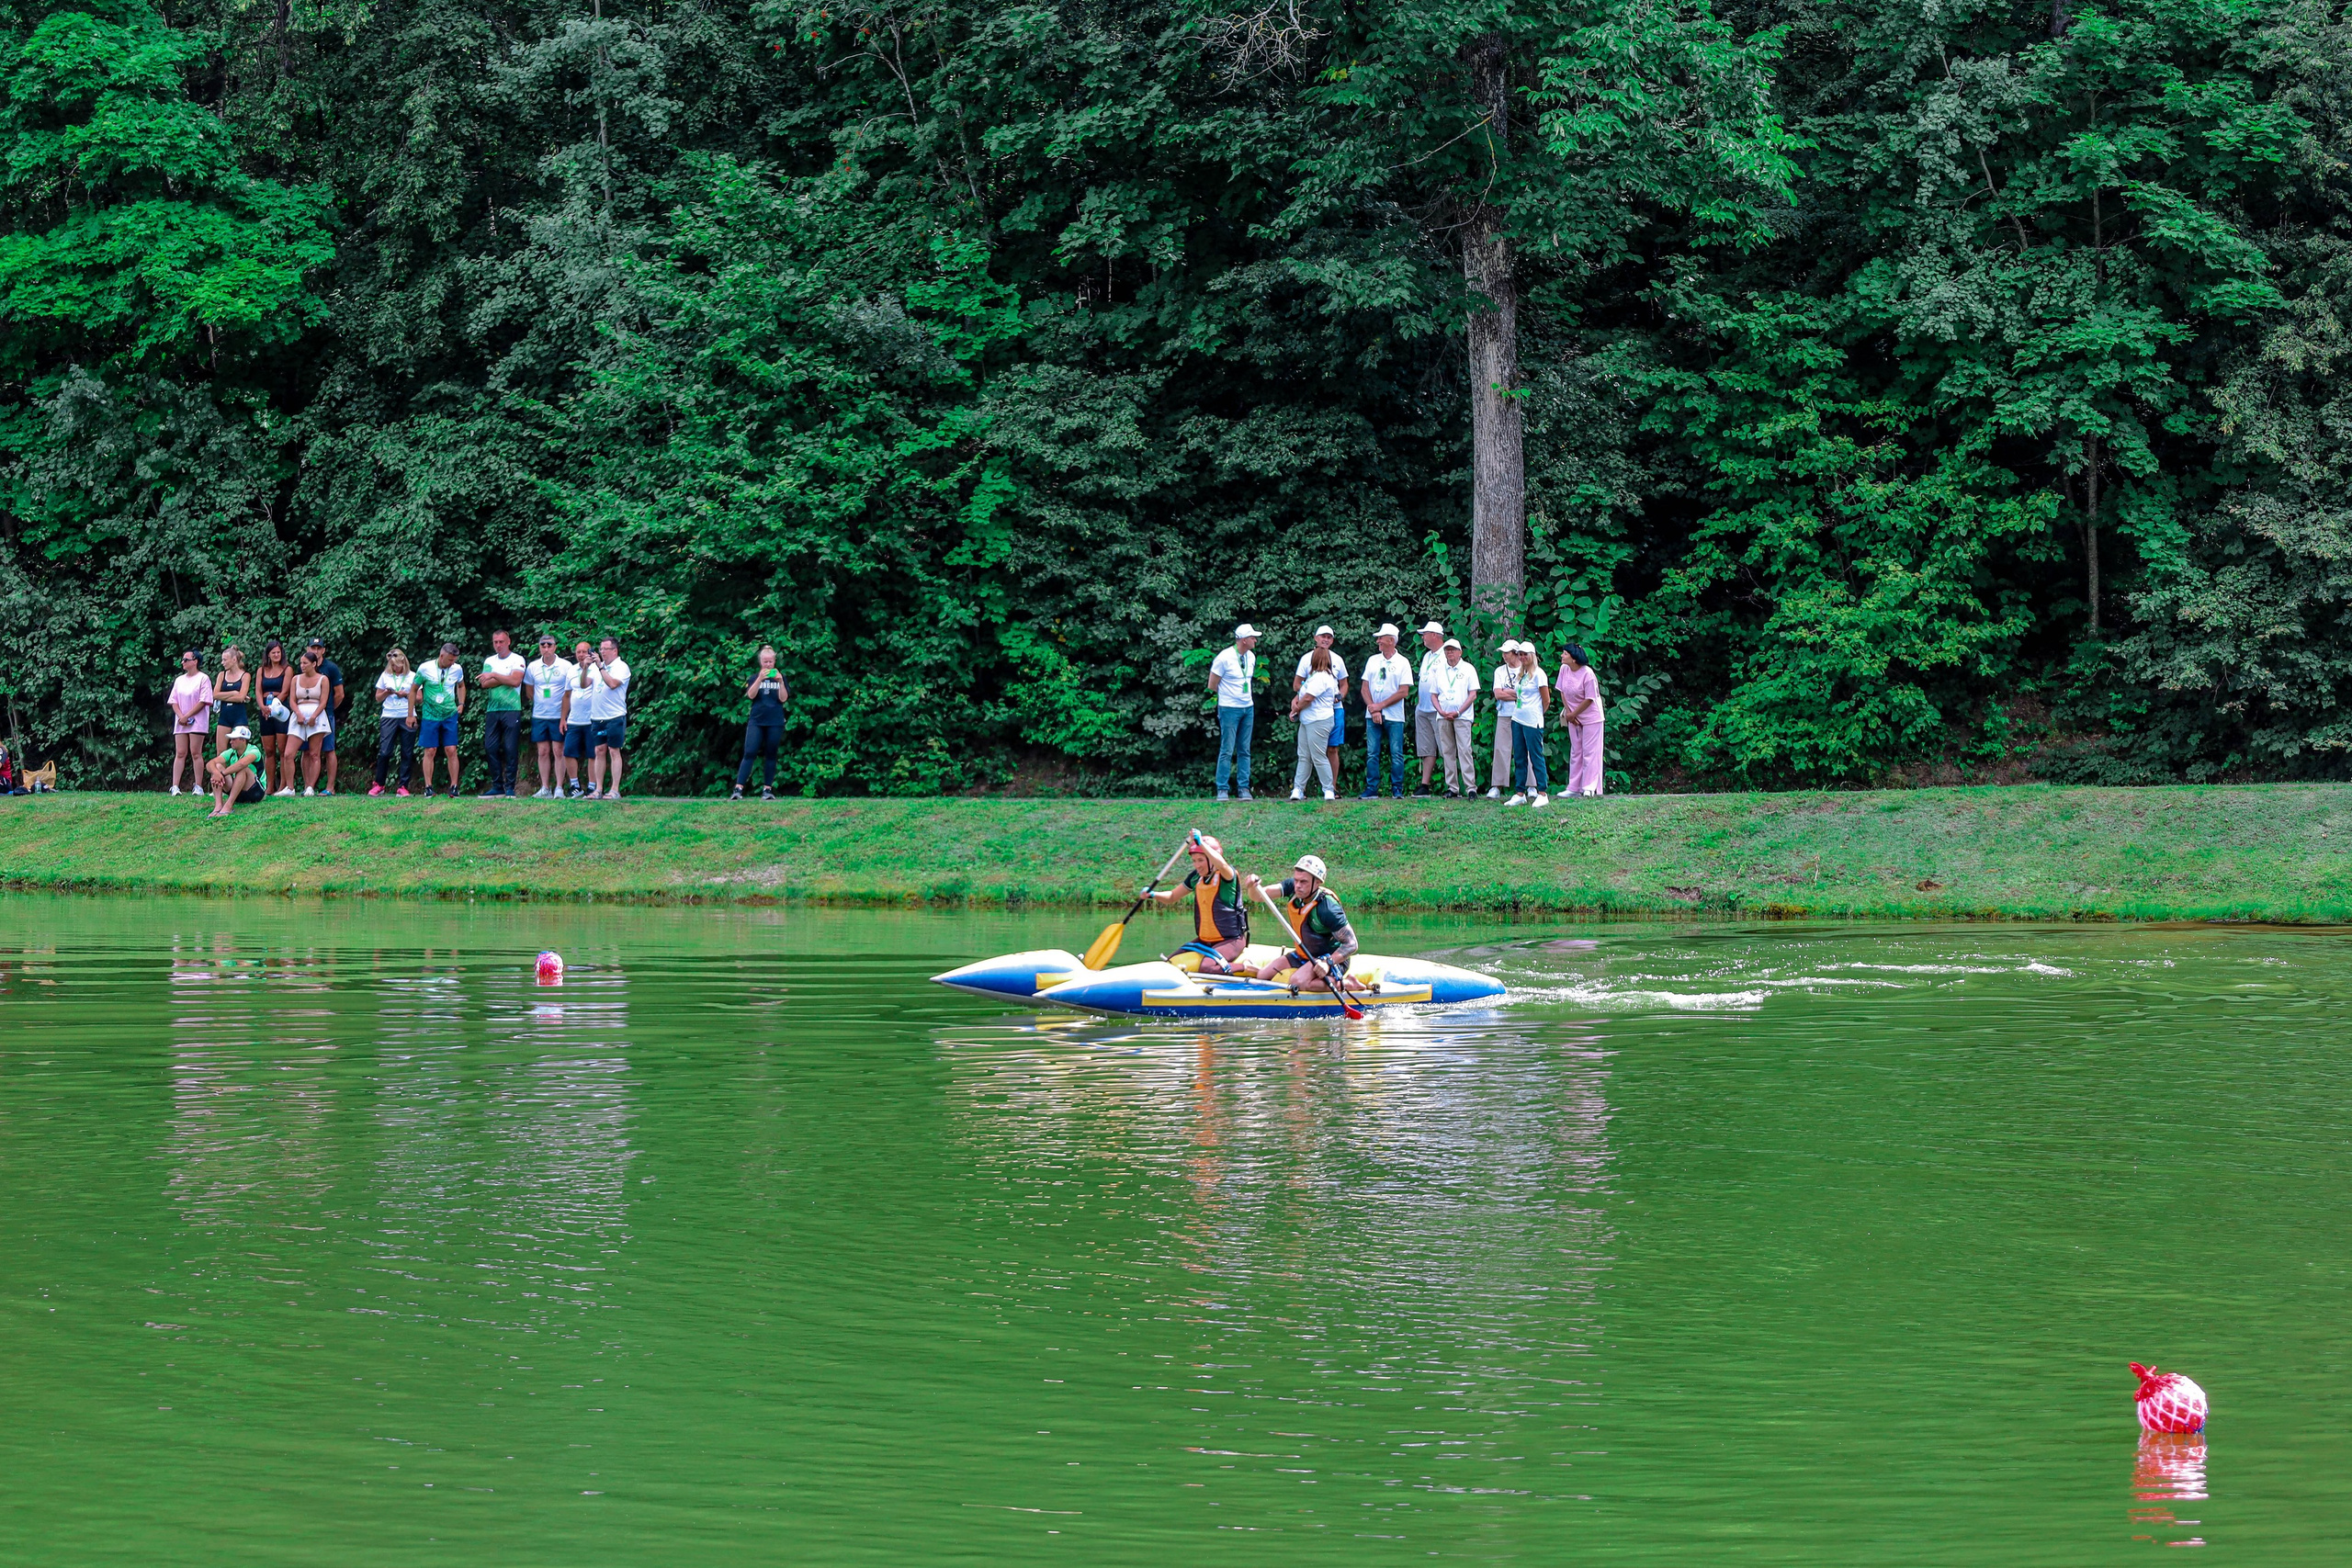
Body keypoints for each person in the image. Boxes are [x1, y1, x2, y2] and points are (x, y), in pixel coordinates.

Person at [1249, 853, 1359, 994]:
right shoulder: (1293, 887)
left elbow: (1352, 944)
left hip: (1330, 960)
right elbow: (1258, 896)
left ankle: (1348, 983)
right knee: (1262, 975)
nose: (1298, 886)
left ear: (1317, 882)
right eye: (1296, 880)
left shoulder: (1328, 908)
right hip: (1304, 955)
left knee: (1298, 982)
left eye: (1304, 882)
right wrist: (1253, 887)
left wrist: (1328, 963)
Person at [1147, 832, 1250, 973]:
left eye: (1201, 860)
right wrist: (1152, 894)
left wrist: (1201, 843)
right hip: (1204, 940)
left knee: (1207, 967)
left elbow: (1222, 864)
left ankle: (1247, 967)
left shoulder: (1227, 876)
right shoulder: (1196, 878)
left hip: (1231, 940)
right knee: (1169, 962)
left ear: (1213, 859)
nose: (1197, 865)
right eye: (1194, 861)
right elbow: (1172, 896)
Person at [1357, 624, 1413, 799]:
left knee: (1396, 753)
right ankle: (1371, 788)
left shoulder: (1403, 662)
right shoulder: (1373, 660)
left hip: (1395, 716)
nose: (1378, 641)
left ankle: (1397, 789)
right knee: (1372, 752)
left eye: (1381, 638)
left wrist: (1380, 706)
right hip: (1372, 714)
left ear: (1391, 640)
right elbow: (1364, 688)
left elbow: (1404, 691)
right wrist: (1373, 709)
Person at [1207, 624, 1258, 801]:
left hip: (1248, 707)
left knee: (1245, 749)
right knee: (1227, 749)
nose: (1255, 640)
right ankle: (1222, 789)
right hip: (1229, 708)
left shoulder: (1251, 657)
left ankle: (1243, 788)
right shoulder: (1225, 657)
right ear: (1243, 640)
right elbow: (1212, 684)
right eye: (1252, 637)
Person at [1294, 626, 1350, 788]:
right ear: (1315, 638)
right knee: (1308, 752)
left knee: (1332, 748)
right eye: (1323, 636)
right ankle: (1302, 788)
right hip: (1310, 709)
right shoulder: (1306, 659)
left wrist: (1340, 696)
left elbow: (1344, 684)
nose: (1326, 640)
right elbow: (1297, 684)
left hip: (1334, 709)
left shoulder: (1337, 659)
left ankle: (1331, 787)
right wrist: (1306, 695)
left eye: (1329, 637)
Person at [733, 646, 790, 800]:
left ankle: (767, 789)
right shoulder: (754, 677)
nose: (768, 665)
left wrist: (780, 682)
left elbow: (783, 698)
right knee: (750, 752)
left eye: (770, 662)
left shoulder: (780, 677)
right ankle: (738, 789)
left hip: (775, 720)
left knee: (771, 753)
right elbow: (751, 695)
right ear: (760, 662)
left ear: (775, 662)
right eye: (765, 662)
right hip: (757, 720)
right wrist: (759, 679)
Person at [476, 629, 526, 798]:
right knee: (490, 747)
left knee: (510, 748)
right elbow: (484, 684)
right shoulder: (489, 660)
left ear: (508, 642)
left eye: (501, 642)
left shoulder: (517, 659)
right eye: (495, 642)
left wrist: (495, 675)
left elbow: (515, 681)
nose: (498, 645)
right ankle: (497, 786)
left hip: (512, 709)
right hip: (493, 709)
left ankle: (510, 787)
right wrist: (503, 677)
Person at [1428, 637, 1481, 797]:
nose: (1449, 652)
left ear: (1460, 652)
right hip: (1443, 716)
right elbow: (1433, 695)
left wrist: (1458, 712)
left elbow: (1473, 695)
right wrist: (1441, 711)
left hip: (1462, 717)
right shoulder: (1439, 670)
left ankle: (1471, 787)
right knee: (1447, 751)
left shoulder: (1468, 669)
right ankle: (1452, 788)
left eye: (1452, 650)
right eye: (1447, 650)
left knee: (1465, 750)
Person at [414, 642, 467, 797]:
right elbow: (413, 689)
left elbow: (461, 685)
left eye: (454, 661)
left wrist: (461, 703)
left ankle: (454, 786)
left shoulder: (457, 669)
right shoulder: (425, 668)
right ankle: (428, 787)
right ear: (442, 656)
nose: (452, 663)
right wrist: (411, 713)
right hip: (430, 715)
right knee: (430, 750)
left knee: (451, 749)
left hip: (449, 714)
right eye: (450, 660)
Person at [526, 635, 574, 797]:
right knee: (543, 751)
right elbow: (529, 690)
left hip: (558, 715)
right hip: (539, 715)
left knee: (558, 750)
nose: (546, 649)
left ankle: (559, 787)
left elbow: (569, 692)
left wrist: (563, 715)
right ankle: (545, 787)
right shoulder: (533, 667)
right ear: (539, 647)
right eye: (543, 646)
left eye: (549, 645)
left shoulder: (566, 666)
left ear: (555, 647)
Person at [1289, 648, 1340, 801]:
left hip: (1319, 720)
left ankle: (1328, 789)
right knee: (1304, 755)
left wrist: (1296, 710)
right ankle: (1298, 788)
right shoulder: (1314, 676)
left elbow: (1308, 698)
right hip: (1307, 720)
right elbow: (1302, 694)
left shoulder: (1321, 677)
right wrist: (1296, 702)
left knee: (1318, 756)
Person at [1555, 643, 1606, 797]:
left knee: (1590, 752)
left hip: (1591, 717)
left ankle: (1589, 787)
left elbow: (1590, 699)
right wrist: (1570, 714)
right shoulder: (1564, 669)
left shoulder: (1588, 674)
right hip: (1573, 717)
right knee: (1576, 751)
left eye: (1565, 654)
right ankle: (1573, 787)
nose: (1562, 656)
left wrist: (1574, 713)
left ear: (1574, 658)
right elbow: (1562, 691)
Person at [1505, 640, 1551, 808]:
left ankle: (1542, 792)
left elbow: (1546, 700)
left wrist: (1538, 713)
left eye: (1525, 654)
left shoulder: (1539, 674)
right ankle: (1519, 793)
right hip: (1517, 718)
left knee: (1536, 755)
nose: (1522, 657)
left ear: (1532, 656)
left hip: (1532, 720)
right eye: (1520, 654)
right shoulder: (1521, 674)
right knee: (1519, 756)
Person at [370, 649, 420, 796]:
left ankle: (403, 786)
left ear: (403, 663)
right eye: (392, 665)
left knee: (407, 752)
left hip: (407, 715)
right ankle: (379, 785)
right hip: (389, 716)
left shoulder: (413, 676)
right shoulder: (385, 675)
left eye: (396, 665)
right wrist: (387, 692)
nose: (394, 668)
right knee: (385, 752)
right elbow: (378, 698)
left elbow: (419, 698)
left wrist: (406, 695)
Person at [587, 636, 631, 798]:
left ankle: (614, 789)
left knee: (614, 750)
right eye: (600, 649)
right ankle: (598, 789)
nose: (602, 652)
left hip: (615, 716)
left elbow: (612, 684)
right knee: (599, 750)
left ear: (615, 650)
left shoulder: (621, 667)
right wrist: (585, 668)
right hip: (597, 716)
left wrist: (600, 666)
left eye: (605, 649)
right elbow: (584, 684)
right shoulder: (597, 667)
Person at [284, 648, 333, 795]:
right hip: (299, 714)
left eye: (305, 663)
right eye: (301, 663)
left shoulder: (323, 679)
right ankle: (290, 788)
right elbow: (292, 700)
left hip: (316, 715)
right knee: (288, 753)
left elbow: (324, 701)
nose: (302, 666)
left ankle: (310, 787)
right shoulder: (295, 679)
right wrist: (298, 714)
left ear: (314, 664)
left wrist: (314, 717)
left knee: (314, 753)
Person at [167, 649, 215, 795]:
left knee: (196, 752)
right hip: (181, 721)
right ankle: (175, 786)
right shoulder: (179, 680)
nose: (183, 662)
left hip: (197, 721)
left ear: (195, 662)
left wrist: (187, 715)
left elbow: (204, 700)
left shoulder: (203, 678)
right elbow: (173, 700)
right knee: (180, 752)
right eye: (183, 660)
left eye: (186, 659)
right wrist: (181, 716)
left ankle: (198, 786)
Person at [304, 637, 345, 795]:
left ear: (323, 650)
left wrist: (328, 709)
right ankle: (308, 787)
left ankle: (330, 787)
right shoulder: (304, 666)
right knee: (307, 751)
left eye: (318, 648)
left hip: (326, 714)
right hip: (307, 715)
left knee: (329, 749)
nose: (315, 651)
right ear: (308, 649)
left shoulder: (331, 668)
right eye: (312, 648)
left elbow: (340, 694)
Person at [1411, 621, 1447, 796]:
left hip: (1438, 709)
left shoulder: (1445, 655)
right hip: (1423, 708)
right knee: (1426, 748)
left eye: (1425, 634)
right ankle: (1425, 785)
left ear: (1434, 635)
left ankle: (1452, 784)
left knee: (1445, 746)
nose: (1422, 637)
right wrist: (1419, 703)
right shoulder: (1427, 656)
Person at [254, 639, 292, 795]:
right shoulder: (261, 670)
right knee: (269, 750)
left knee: (282, 749)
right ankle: (269, 785)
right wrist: (262, 707)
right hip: (265, 710)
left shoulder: (287, 669)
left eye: (278, 652)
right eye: (273, 653)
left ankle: (283, 785)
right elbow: (257, 691)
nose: (276, 655)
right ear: (268, 654)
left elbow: (285, 691)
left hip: (280, 709)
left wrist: (273, 706)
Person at [1487, 641, 1521, 800]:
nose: (1504, 655)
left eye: (1507, 652)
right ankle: (1497, 785)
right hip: (1504, 714)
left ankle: (1531, 786)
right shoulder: (1500, 671)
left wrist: (1509, 692)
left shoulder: (1526, 669)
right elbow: (1498, 694)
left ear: (1515, 653)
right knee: (1501, 748)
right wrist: (1516, 694)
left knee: (1526, 750)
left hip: (1523, 715)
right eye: (1503, 652)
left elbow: (1528, 694)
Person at [206, 725, 265, 817]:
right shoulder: (231, 752)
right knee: (216, 766)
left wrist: (222, 774)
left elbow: (242, 764)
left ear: (243, 740)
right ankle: (218, 806)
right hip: (238, 791)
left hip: (256, 792)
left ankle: (228, 806)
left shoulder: (254, 750)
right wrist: (216, 773)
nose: (230, 742)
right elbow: (210, 764)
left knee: (243, 768)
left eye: (234, 739)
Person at [563, 639, 596, 797]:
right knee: (569, 752)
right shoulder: (571, 670)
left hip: (592, 719)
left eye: (584, 651)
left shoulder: (597, 668)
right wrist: (563, 718)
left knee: (593, 754)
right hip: (574, 719)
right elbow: (567, 695)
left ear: (590, 653)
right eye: (578, 652)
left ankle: (592, 786)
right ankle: (575, 785)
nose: (581, 655)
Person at [212, 645, 252, 756]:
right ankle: (222, 773)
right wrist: (233, 693)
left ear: (234, 660)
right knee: (221, 753)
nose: (222, 663)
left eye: (225, 660)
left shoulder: (245, 676)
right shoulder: (221, 675)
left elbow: (241, 698)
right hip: (224, 717)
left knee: (241, 752)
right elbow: (214, 695)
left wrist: (226, 696)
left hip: (239, 716)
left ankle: (240, 773)